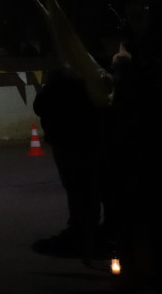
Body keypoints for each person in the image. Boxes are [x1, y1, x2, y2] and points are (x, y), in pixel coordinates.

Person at [32, 68, 103, 258]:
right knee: (88, 187)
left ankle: (79, 227)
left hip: (65, 143)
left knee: (74, 186)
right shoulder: (84, 89)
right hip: (86, 143)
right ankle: (90, 226)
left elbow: (38, 106)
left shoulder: (53, 92)